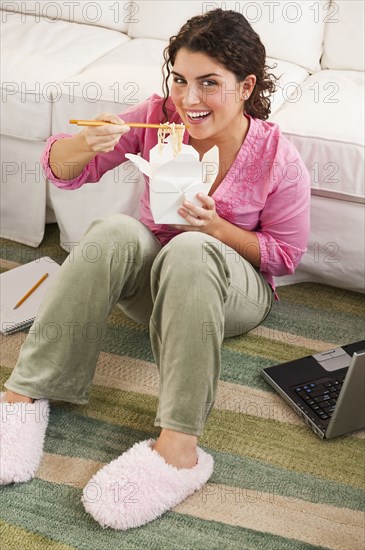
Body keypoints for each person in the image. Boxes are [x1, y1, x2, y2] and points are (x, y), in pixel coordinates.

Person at [0, 9, 310, 530]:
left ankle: (179, 450)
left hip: (232, 290)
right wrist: (85, 143)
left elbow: (283, 255)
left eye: (209, 84)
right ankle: (22, 397)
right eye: (181, 81)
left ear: (245, 86)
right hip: (154, 286)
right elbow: (64, 170)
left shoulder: (277, 158)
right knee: (112, 232)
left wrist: (215, 229)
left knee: (190, 249)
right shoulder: (158, 117)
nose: (190, 100)